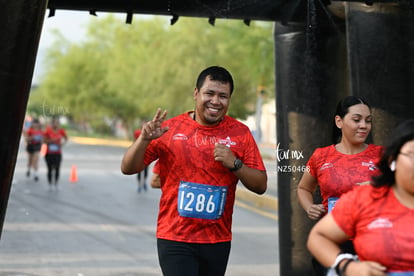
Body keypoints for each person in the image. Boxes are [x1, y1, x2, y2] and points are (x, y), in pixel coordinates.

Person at [121, 66, 267, 276]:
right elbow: (128, 168)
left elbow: (261, 185)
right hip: (175, 237)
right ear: (196, 93)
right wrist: (143, 140)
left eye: (223, 96)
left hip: (217, 239)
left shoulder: (240, 133)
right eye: (210, 93)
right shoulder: (169, 129)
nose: (216, 101)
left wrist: (235, 164)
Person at [307, 118, 414, 275]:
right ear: (393, 159)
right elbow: (318, 236)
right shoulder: (366, 198)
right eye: (412, 154)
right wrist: (347, 266)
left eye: (368, 120)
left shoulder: (375, 152)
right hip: (345, 235)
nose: (363, 125)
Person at [297, 96, 383, 275]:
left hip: (371, 239)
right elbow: (304, 188)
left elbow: (402, 191)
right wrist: (309, 207)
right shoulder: (321, 156)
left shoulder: (382, 156)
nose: (364, 126)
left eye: (368, 121)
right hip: (332, 239)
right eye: (356, 119)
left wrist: (379, 186)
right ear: (339, 121)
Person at [43, 117, 68, 189]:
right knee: (50, 169)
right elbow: (44, 140)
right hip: (49, 153)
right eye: (55, 123)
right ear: (52, 123)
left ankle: (56, 182)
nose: (56, 124)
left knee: (57, 168)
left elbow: (66, 139)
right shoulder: (48, 130)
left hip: (57, 153)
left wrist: (62, 144)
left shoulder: (61, 131)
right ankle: (50, 183)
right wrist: (51, 141)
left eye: (57, 123)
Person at [134, 128, 148, 192]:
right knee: (139, 172)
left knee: (145, 171)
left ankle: (144, 183)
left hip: (146, 155)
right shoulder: (138, 132)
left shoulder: (148, 132)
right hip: (139, 155)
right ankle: (139, 185)